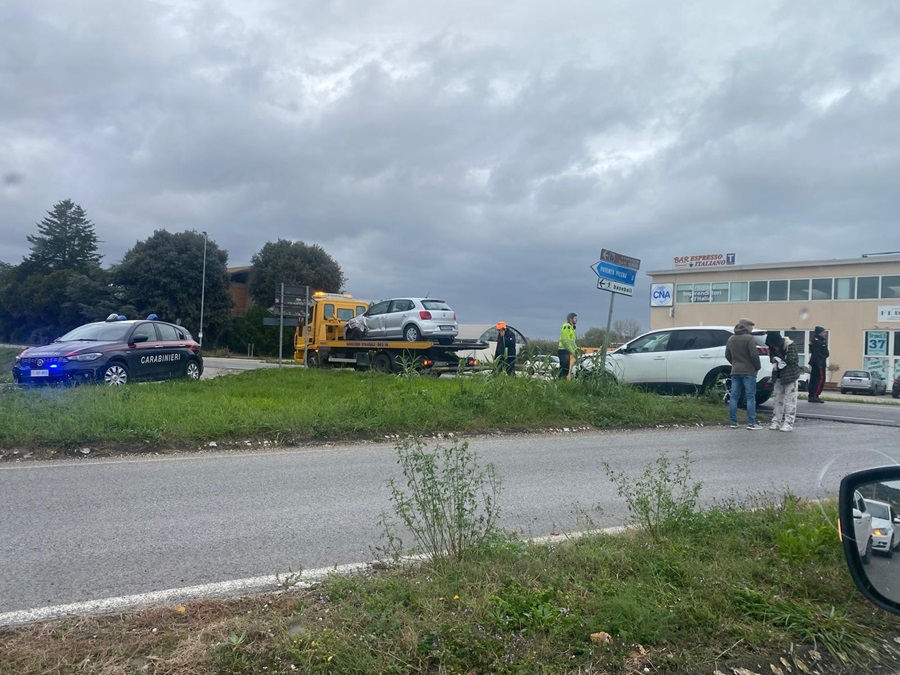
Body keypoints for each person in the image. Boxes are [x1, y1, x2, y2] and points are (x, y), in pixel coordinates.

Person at [725, 318, 763, 429]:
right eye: (751, 326)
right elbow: (754, 355)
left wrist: (734, 363)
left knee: (734, 397)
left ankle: (733, 422)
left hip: (735, 370)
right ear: (745, 326)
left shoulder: (731, 338)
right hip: (749, 371)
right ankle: (751, 423)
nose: (752, 328)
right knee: (750, 397)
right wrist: (757, 367)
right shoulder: (749, 338)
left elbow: (727, 355)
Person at [765, 330, 801, 432]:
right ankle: (776, 421)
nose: (774, 347)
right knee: (777, 399)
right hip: (778, 376)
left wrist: (780, 357)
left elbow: (793, 359)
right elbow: (771, 358)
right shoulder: (772, 347)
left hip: (790, 376)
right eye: (771, 346)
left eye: (774, 345)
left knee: (790, 400)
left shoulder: (790, 345)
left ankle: (788, 422)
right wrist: (774, 359)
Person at [807, 326, 829, 403]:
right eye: (824, 332)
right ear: (819, 333)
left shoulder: (818, 341)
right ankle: (815, 395)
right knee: (820, 378)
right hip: (819, 363)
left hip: (817, 362)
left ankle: (812, 395)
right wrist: (819, 363)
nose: (825, 334)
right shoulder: (817, 341)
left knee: (814, 379)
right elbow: (817, 354)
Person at [557, 312, 579, 380]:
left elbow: (572, 342)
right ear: (570, 319)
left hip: (566, 350)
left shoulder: (571, 328)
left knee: (565, 368)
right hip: (563, 350)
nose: (577, 320)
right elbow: (566, 341)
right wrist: (573, 351)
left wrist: (577, 350)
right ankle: (561, 383)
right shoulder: (567, 327)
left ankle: (561, 383)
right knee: (564, 369)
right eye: (575, 318)